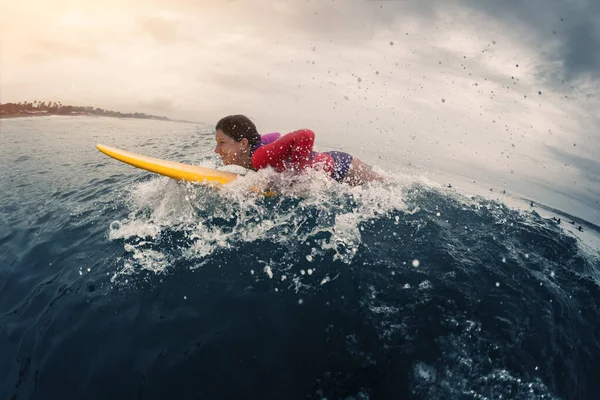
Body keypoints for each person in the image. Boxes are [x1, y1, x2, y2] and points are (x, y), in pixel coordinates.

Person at [214, 114, 382, 186]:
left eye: (222, 142)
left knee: (388, 187)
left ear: (243, 144)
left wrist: (299, 175)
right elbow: (275, 136)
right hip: (330, 161)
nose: (216, 150)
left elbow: (306, 134)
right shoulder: (257, 150)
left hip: (342, 168)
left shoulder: (259, 157)